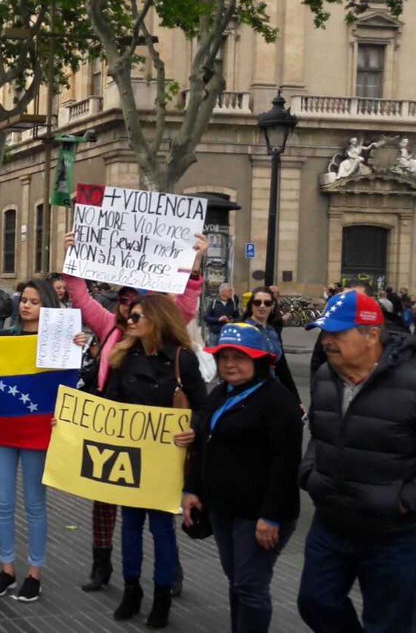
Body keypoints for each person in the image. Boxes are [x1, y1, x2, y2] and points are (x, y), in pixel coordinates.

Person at [63, 232, 207, 596]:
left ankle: (169, 573)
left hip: (154, 428)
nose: (128, 307)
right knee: (104, 499)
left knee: (158, 503)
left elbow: (187, 305)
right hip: (110, 420)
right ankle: (102, 565)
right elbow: (79, 297)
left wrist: (194, 266)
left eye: (135, 301)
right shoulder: (107, 324)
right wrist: (73, 258)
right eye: (124, 300)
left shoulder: (165, 331)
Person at [296, 291, 416, 633]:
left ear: (372, 335)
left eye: (338, 333)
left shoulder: (411, 379)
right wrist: (311, 475)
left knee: (389, 622)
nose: (328, 342)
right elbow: (319, 435)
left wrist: (404, 501)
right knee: (315, 601)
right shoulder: (324, 378)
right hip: (333, 521)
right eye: (325, 333)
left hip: (393, 533)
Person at [182, 323, 302, 633]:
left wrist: (271, 517)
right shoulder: (221, 393)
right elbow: (203, 443)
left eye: (240, 357)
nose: (230, 364)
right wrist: (192, 489)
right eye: (224, 357)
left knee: (250, 585)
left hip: (259, 514)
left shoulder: (278, 402)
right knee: (237, 580)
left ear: (260, 360)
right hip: (223, 508)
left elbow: (286, 465)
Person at [105, 295, 206, 629]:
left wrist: (193, 429)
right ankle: (131, 589)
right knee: (130, 525)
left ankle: (161, 595)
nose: (130, 322)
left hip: (166, 458)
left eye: (137, 317)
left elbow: (204, 408)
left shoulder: (182, 359)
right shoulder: (124, 356)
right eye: (130, 317)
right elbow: (108, 404)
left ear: (157, 320)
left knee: (162, 529)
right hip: (130, 457)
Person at [0, 279, 84, 601]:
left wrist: (80, 346)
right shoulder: (2, 337)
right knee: (2, 502)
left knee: (34, 504)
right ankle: (6, 568)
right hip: (2, 429)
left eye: (34, 300)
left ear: (47, 306)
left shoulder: (61, 342)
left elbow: (72, 381)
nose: (26, 305)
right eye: (23, 300)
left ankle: (35, 572)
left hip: (37, 429)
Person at [239, 286, 300, 402]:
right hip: (249, 392)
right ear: (251, 305)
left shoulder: (272, 331)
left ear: (272, 307)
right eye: (257, 302)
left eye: (267, 303)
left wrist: (296, 400)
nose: (262, 306)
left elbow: (282, 367)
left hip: (272, 389)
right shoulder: (243, 329)